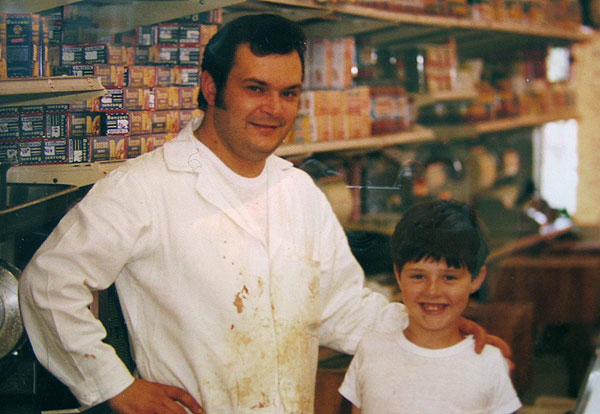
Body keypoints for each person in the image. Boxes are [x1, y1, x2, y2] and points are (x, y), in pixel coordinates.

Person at [18, 14, 508, 414]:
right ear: (211, 88)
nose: (274, 109)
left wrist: (427, 326)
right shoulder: (145, 187)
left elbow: (340, 309)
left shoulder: (299, 192)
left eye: (289, 93)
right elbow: (47, 284)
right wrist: (115, 386)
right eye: (256, 88)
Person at [339, 199, 522, 414]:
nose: (432, 291)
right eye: (418, 276)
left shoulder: (489, 363)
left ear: (476, 279)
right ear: (398, 275)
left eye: (449, 277)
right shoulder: (370, 351)